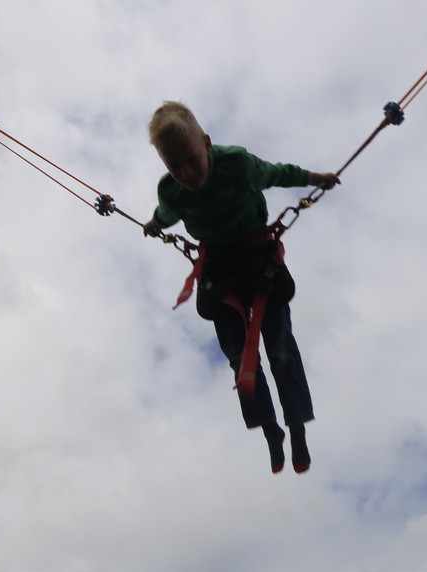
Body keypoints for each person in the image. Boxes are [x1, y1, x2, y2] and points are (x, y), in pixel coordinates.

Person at [143, 101, 339, 474]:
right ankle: (269, 429)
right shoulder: (171, 192)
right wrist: (155, 223)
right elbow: (167, 213)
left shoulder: (237, 164)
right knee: (240, 358)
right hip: (218, 269)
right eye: (174, 166)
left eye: (191, 160)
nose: (186, 173)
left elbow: (276, 173)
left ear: (206, 143)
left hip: (257, 258)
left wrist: (315, 178)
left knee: (280, 348)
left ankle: (296, 425)